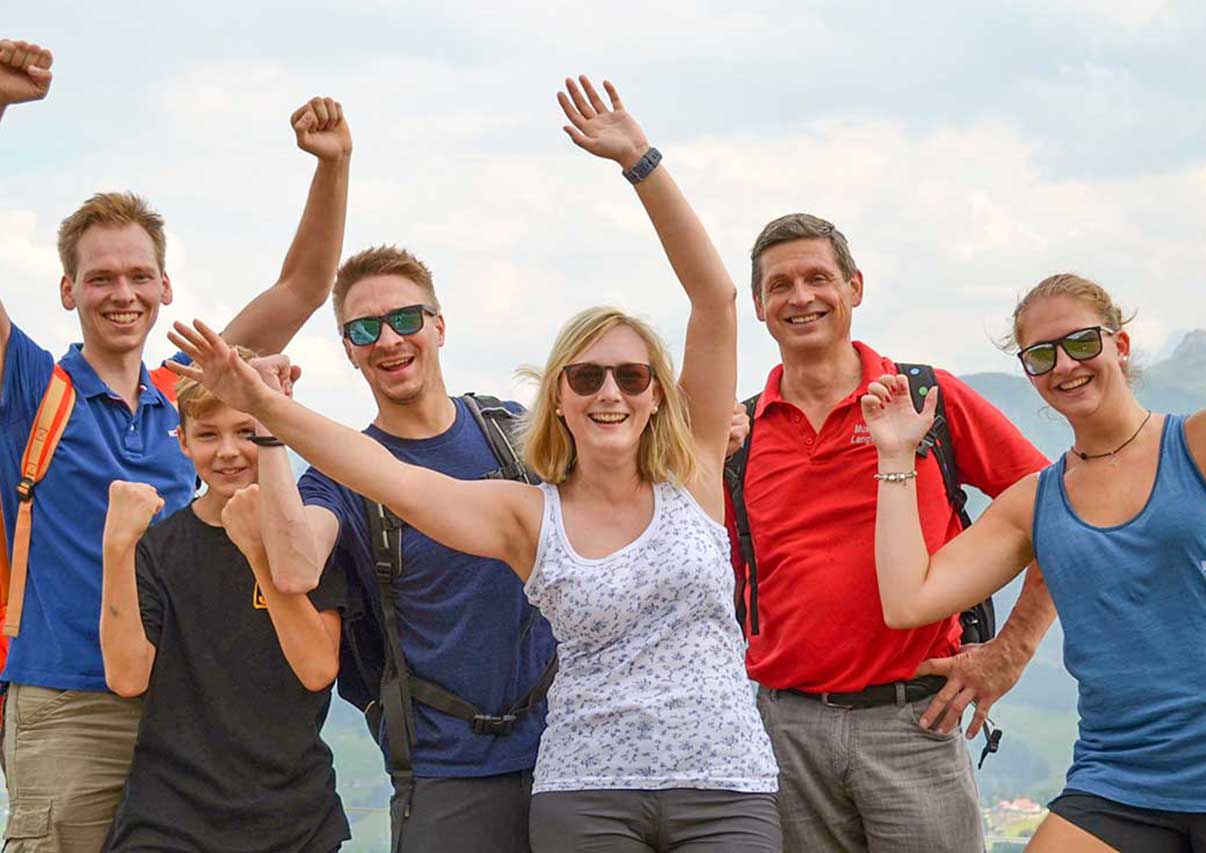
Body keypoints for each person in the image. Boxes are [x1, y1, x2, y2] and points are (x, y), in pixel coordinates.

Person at [169, 75, 781, 852]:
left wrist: (642, 160)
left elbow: (715, 299)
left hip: (705, 779)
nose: (610, 393)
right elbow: (381, 477)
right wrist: (270, 416)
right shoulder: (525, 509)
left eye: (630, 376)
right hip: (533, 779)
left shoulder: (662, 468)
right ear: (559, 397)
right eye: (586, 378)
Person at [861, 160, 1206, 852]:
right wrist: (896, 455)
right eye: (1040, 355)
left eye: (1082, 342)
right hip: (1121, 778)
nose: (1064, 365)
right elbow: (910, 598)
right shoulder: (1036, 502)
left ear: (1119, 345)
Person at [0, 37, 353, 851]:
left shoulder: (191, 391)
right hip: (71, 701)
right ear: (67, 290)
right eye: (99, 278)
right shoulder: (33, 391)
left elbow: (303, 287)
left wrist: (331, 165)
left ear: (164, 285)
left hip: (186, 709)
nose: (120, 293)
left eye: (137, 275)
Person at [728, 211, 1058, 852]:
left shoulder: (928, 398)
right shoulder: (739, 434)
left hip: (916, 722)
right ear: (760, 307)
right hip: (782, 732)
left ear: (854, 286)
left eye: (818, 278)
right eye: (780, 285)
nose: (800, 297)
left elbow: (1062, 513)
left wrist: (1011, 652)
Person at [293, 242, 556, 852]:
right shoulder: (338, 475)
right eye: (364, 328)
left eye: (405, 319)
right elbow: (299, 561)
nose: (388, 339)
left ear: (439, 326)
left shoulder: (518, 433)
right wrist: (267, 429)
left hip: (567, 754)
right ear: (348, 349)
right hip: (445, 774)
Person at [98, 352, 349, 851]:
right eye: (209, 435)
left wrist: (258, 551)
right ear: (184, 442)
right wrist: (117, 548)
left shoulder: (308, 536)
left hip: (292, 820)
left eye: (246, 432)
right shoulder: (160, 547)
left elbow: (318, 668)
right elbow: (127, 678)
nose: (229, 451)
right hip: (170, 818)